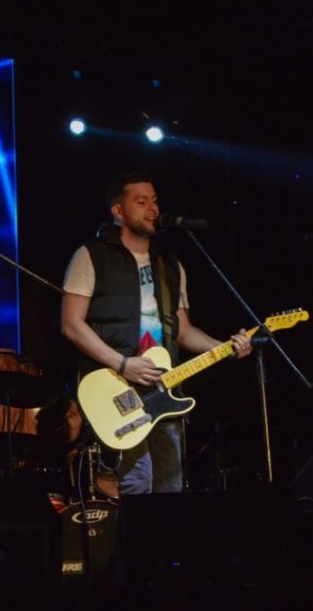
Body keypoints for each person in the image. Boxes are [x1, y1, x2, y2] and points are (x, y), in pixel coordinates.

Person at [60, 171, 253, 494]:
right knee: (138, 481)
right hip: (116, 386)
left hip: (163, 389)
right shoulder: (92, 255)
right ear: (118, 211)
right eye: (141, 201)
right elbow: (71, 324)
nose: (152, 208)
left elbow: (183, 332)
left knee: (170, 485)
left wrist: (225, 347)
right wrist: (123, 363)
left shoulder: (169, 265)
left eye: (154, 200)